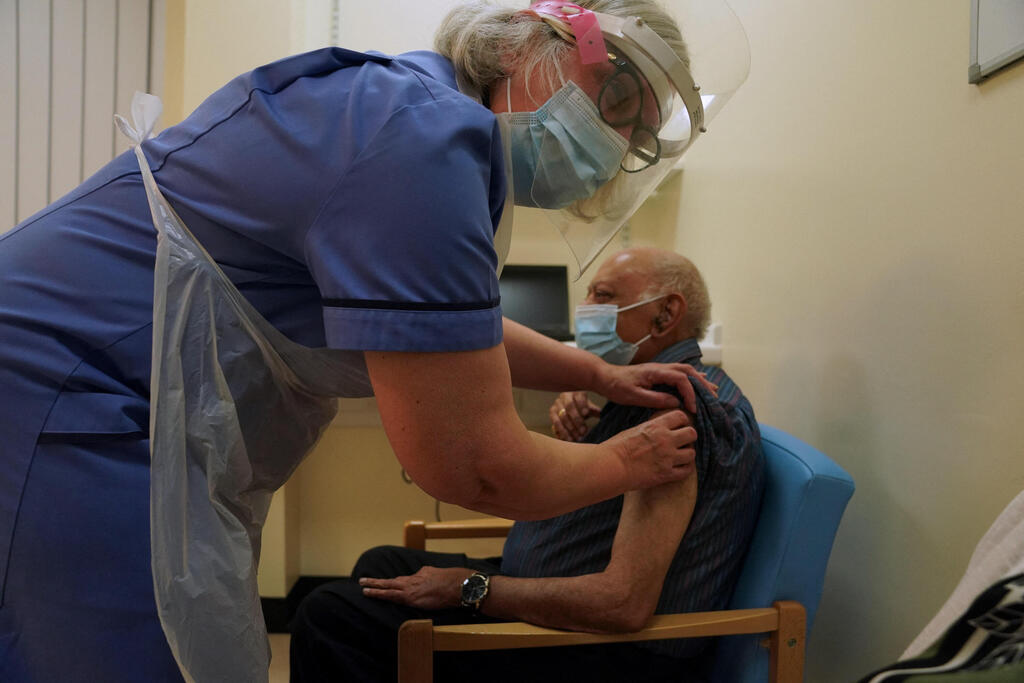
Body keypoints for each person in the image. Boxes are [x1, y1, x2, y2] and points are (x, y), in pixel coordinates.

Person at [0, 2, 749, 681]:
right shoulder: (420, 138)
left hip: (97, 391)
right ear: (535, 41)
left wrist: (595, 374)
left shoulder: (417, 122)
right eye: (615, 101)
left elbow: (457, 327)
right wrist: (627, 459)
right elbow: (474, 464)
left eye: (637, 139)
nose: (614, 144)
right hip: (64, 386)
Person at [290, 247, 765, 683]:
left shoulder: (678, 416)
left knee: (328, 615)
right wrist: (590, 431)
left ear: (666, 314)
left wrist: (469, 588)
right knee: (381, 566)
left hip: (606, 654)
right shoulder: (646, 396)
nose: (588, 310)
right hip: (562, 607)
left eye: (603, 296)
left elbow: (622, 603)